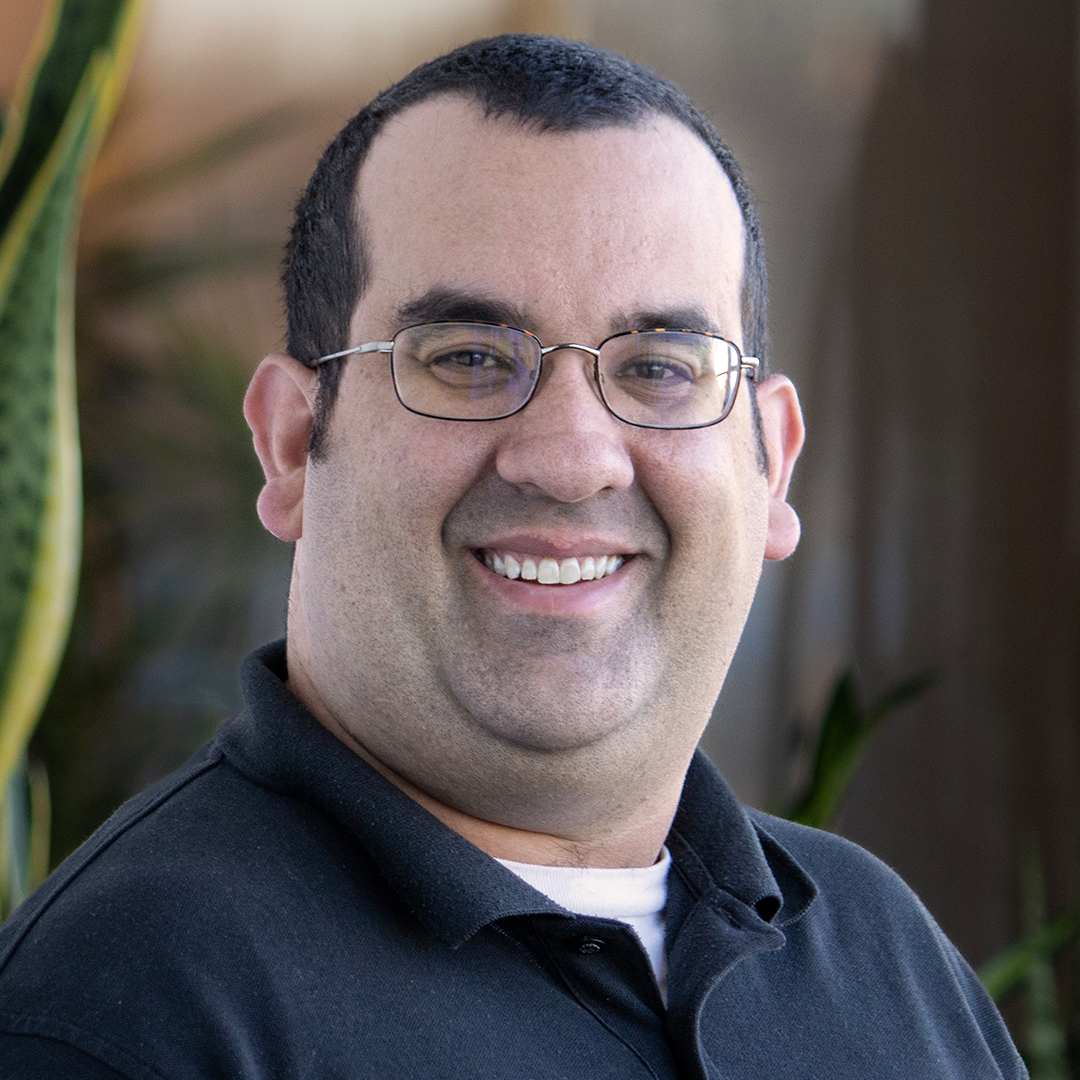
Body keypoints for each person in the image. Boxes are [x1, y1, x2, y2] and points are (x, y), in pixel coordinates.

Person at [0, 34, 1025, 1079]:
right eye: (469, 358)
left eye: (660, 368)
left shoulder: (889, 961)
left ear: (773, 465)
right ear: (293, 444)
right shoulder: (124, 1021)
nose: (573, 460)